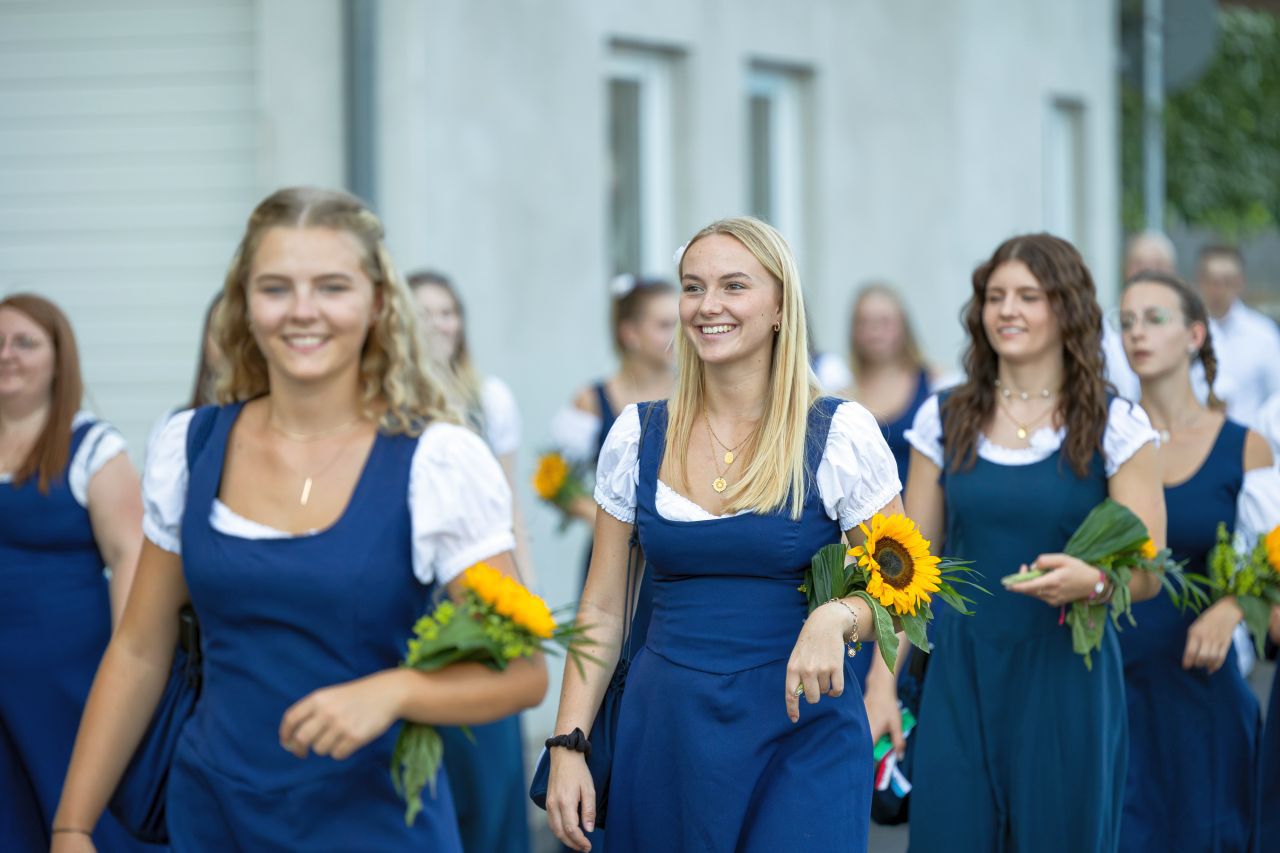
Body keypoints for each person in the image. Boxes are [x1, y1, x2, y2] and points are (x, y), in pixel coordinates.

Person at [51, 187, 547, 851]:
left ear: (377, 302)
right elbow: (140, 647)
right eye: (276, 287)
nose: (302, 311)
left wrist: (395, 690)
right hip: (213, 814)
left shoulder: (438, 462)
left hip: (372, 822)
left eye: (332, 286)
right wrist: (72, 823)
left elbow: (521, 671)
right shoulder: (191, 447)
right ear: (244, 303)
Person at [545, 217, 902, 852]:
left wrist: (839, 617)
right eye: (693, 287)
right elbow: (601, 609)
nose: (708, 306)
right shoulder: (636, 436)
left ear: (779, 308)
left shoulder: (840, 434)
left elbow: (907, 593)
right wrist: (569, 743)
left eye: (733, 286)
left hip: (804, 729)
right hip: (667, 729)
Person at [869, 233, 1167, 852]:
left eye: (1029, 296)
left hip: (1067, 675)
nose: (1008, 310)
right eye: (995, 296)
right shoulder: (943, 419)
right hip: (961, 673)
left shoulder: (1116, 424)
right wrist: (881, 686)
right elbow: (905, 572)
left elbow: (1149, 569)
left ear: (1067, 309)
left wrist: (1097, 580)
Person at [1114, 270, 1276, 851]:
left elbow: (1273, 559)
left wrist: (1233, 605)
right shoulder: (1102, 438)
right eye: (1126, 321)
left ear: (1195, 335)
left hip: (1202, 690)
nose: (1138, 333)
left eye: (1155, 318)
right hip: (1115, 688)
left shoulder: (1245, 444)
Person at [0, 294, 150, 851]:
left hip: (70, 693)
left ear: (59, 359)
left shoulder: (94, 447)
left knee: (82, 822)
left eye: (25, 342)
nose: (7, 355)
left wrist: (127, 671)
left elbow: (129, 555)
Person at [407, 269, 531, 853]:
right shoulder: (387, 403)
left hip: (483, 591)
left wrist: (524, 608)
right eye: (424, 312)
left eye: (448, 312)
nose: (439, 324)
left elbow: (511, 514)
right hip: (416, 596)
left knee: (490, 764)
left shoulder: (488, 399)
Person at [841, 283, 936, 488]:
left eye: (885, 322)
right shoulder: (839, 396)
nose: (875, 331)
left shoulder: (934, 385)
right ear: (854, 331)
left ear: (904, 326)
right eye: (865, 322)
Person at [1193, 244, 1280, 428]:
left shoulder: (1264, 334)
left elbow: (1276, 396)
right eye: (1213, 281)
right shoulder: (1185, 333)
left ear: (1240, 283)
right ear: (1200, 282)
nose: (1219, 290)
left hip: (1251, 445)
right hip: (1195, 444)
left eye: (1227, 282)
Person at [1102, 231, 1179, 402]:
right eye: (1139, 263)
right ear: (1125, 269)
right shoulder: (1102, 330)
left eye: (1158, 264)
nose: (1149, 271)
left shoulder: (1187, 328)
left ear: (1173, 271)